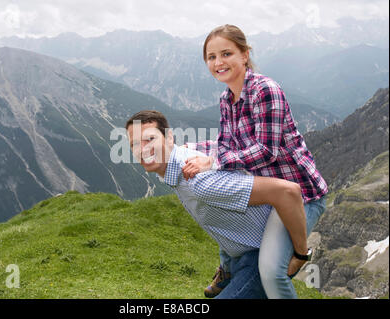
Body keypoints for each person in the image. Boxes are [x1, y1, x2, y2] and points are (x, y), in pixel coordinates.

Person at [181, 24, 328, 299]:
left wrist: (211, 162)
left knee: (272, 273)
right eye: (211, 57)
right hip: (268, 191)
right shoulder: (227, 98)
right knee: (216, 201)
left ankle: (297, 253)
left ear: (244, 55)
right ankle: (229, 265)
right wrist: (187, 148)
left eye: (226, 53)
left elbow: (265, 151)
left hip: (299, 194)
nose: (218, 62)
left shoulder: (265, 90)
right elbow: (227, 144)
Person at [125, 110, 310, 299]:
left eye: (150, 139)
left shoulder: (198, 181)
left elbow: (288, 192)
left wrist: (301, 254)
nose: (143, 149)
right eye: (135, 144)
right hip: (241, 253)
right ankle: (227, 268)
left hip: (263, 255)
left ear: (169, 137)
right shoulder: (182, 160)